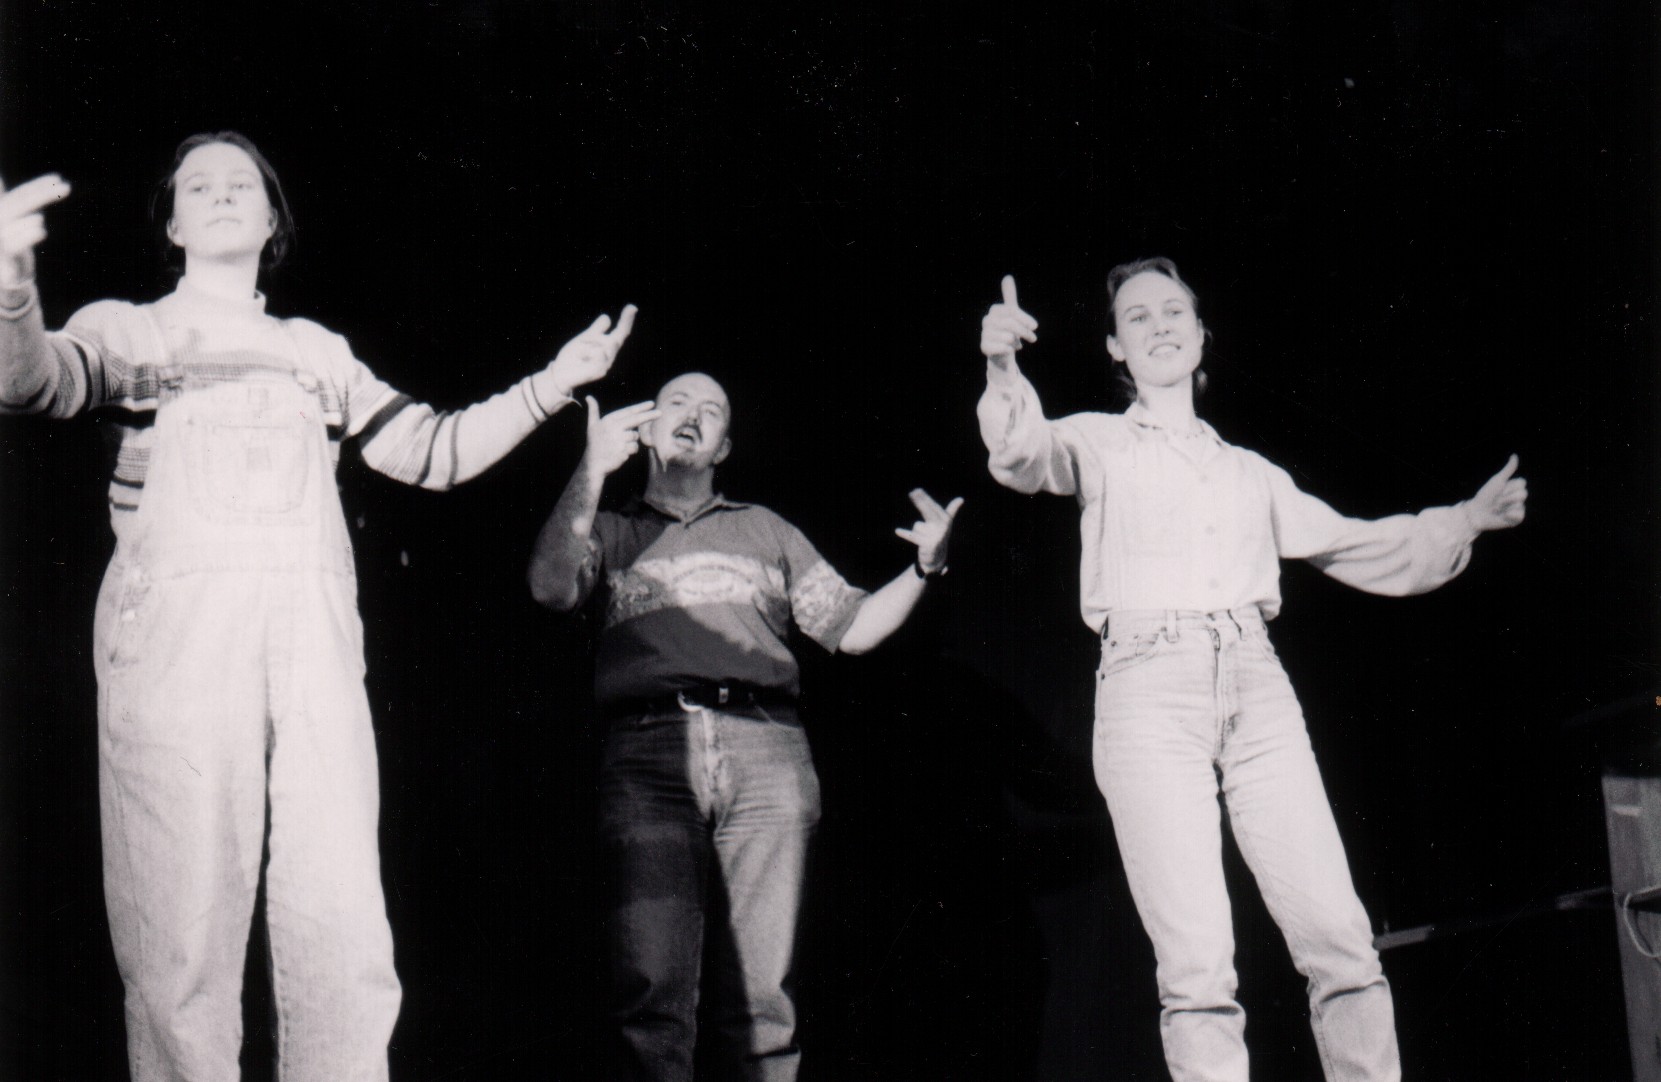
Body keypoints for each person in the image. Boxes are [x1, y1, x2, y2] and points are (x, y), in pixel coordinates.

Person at [0, 132, 637, 1081]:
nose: (220, 196)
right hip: (177, 647)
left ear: (272, 220)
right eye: (197, 187)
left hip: (315, 654)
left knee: (341, 929)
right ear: (173, 223)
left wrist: (552, 385)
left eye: (241, 184)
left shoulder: (316, 353)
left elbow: (436, 452)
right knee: (182, 934)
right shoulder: (129, 329)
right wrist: (12, 287)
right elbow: (31, 382)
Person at [976, 262, 1526, 1082]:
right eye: (1136, 317)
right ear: (1114, 348)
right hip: (1146, 690)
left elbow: (1351, 543)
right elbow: (1021, 452)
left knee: (1339, 939)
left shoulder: (1249, 472)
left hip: (1256, 686)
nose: (1158, 325)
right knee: (1197, 967)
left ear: (1200, 338)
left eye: (1173, 312)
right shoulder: (1094, 441)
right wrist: (1000, 367)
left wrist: (1463, 521)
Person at [528, 371, 962, 1081]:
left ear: (724, 445)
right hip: (648, 758)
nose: (692, 416)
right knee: (649, 992)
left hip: (765, 752)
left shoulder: (765, 529)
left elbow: (851, 629)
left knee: (765, 999)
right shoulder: (607, 527)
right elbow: (549, 586)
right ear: (646, 428)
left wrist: (923, 567)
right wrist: (590, 467)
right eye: (677, 403)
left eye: (711, 410)